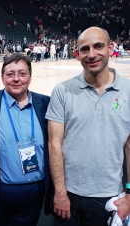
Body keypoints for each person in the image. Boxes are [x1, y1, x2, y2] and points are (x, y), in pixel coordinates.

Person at [46, 27, 130, 226]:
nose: (91, 54)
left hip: (111, 197)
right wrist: (60, 192)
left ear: (111, 48)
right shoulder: (62, 91)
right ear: (77, 54)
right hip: (69, 195)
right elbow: (54, 144)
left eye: (98, 46)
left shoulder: (128, 91)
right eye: (85, 49)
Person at [0, 53, 51, 226]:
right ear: (2, 78)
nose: (16, 79)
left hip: (34, 196)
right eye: (10, 74)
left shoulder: (45, 104)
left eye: (22, 74)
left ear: (30, 77)